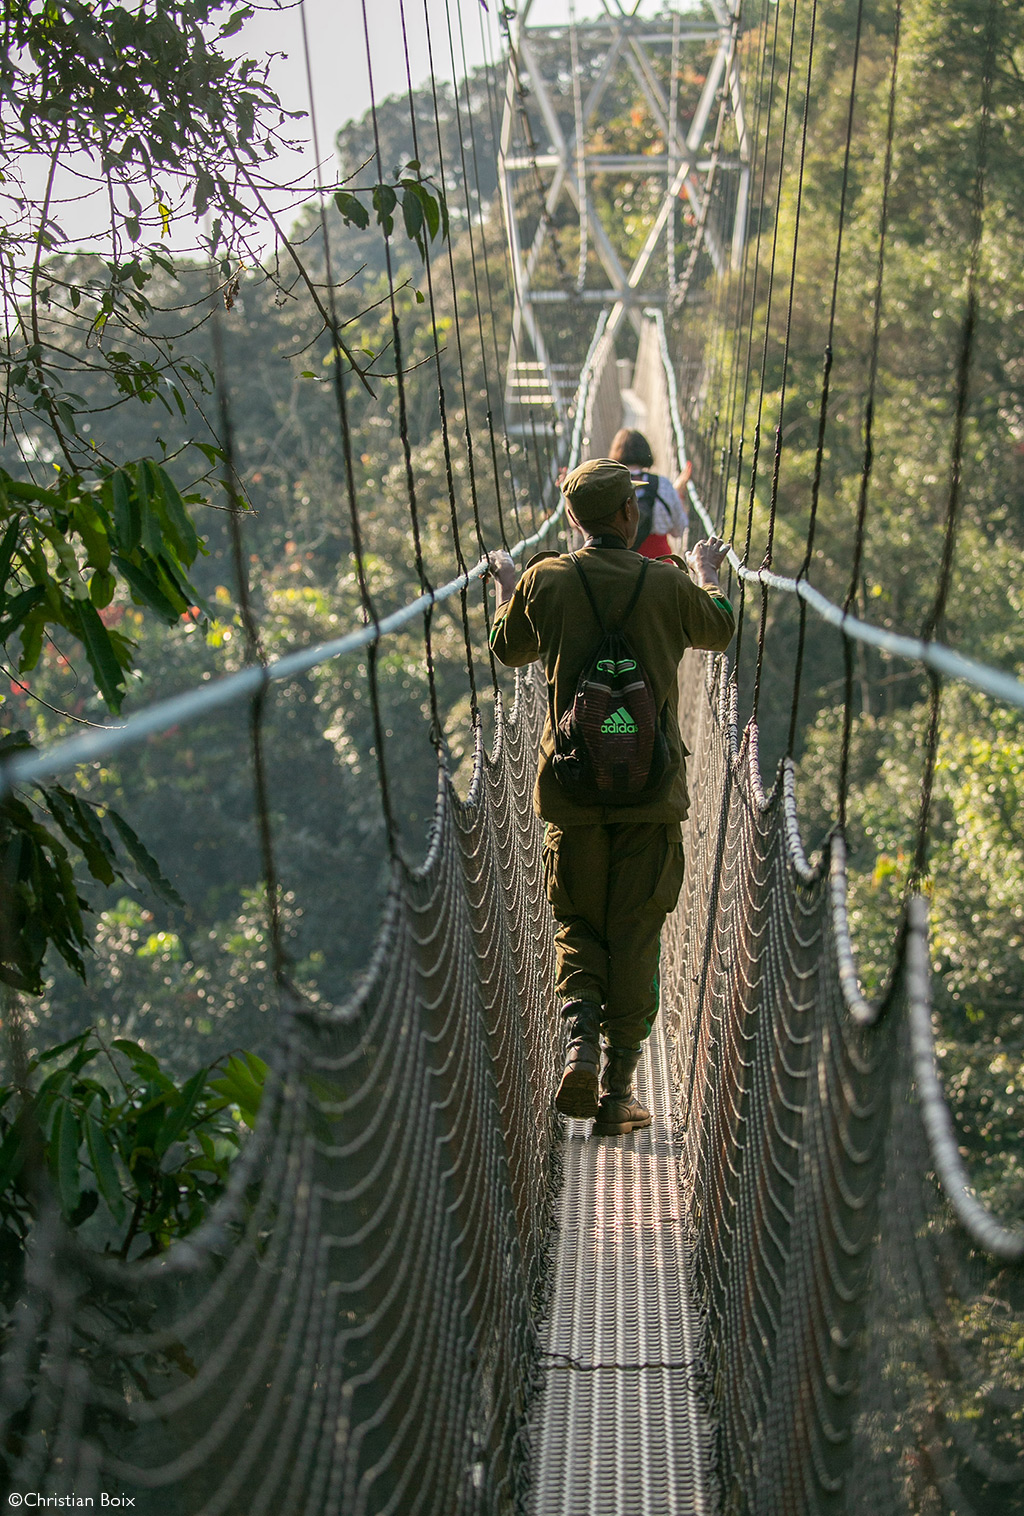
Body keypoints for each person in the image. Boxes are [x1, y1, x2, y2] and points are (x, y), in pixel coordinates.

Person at [487, 458, 733, 1136]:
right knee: (636, 935)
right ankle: (619, 1093)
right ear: (633, 515)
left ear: (572, 520)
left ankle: (579, 1046)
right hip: (651, 795)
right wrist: (710, 578)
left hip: (570, 794)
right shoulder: (667, 583)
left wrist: (510, 588)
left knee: (579, 928)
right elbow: (720, 629)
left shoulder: (548, 581)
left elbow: (507, 649)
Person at [607, 427, 691, 559]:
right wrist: (678, 494)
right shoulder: (663, 485)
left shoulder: (606, 484)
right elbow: (679, 529)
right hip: (659, 567)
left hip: (620, 565)